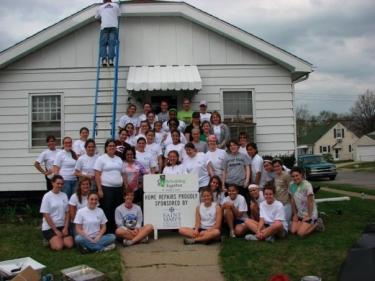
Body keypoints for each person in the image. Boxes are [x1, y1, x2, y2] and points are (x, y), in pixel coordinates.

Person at [94, 139, 124, 233]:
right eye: (109, 146)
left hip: (118, 188)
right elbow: (97, 174)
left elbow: (122, 173)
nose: (111, 147)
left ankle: (117, 231)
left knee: (117, 209)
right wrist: (99, 189)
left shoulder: (118, 159)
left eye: (113, 146)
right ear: (106, 148)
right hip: (106, 188)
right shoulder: (101, 158)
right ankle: (107, 231)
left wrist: (125, 186)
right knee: (107, 209)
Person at [40, 175, 74, 251]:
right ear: (52, 183)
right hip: (50, 227)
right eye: (58, 183)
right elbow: (46, 214)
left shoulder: (64, 195)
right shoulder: (47, 196)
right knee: (59, 247)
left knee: (70, 245)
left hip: (62, 225)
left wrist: (65, 227)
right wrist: (55, 230)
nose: (60, 185)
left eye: (62, 184)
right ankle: (48, 240)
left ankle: (58, 239)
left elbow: (67, 212)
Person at [289, 167, 324, 237]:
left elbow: (310, 202)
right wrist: (295, 214)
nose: (295, 178)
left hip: (310, 213)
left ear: (301, 175)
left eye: (297, 175)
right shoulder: (291, 185)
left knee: (300, 233)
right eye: (293, 176)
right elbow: (292, 200)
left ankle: (317, 223)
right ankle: (304, 223)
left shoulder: (307, 185)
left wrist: (309, 216)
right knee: (293, 231)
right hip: (300, 214)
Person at [95, 0, 121, 67]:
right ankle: (110, 60)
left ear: (104, 1)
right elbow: (118, 15)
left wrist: (102, 22)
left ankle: (104, 60)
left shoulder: (100, 7)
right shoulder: (116, 5)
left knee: (103, 45)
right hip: (113, 27)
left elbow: (96, 17)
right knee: (111, 44)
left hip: (104, 28)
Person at [273, 158, 292, 224]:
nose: (276, 168)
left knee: (284, 223)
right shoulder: (275, 176)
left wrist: (291, 203)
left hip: (286, 203)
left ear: (282, 166)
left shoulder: (286, 175)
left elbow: (291, 189)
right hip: (278, 204)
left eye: (278, 166)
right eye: (275, 166)